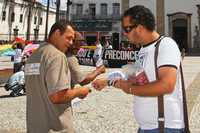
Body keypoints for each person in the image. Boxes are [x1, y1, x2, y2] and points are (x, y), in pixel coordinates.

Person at [92, 5, 185, 133]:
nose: (124, 33)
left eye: (127, 28)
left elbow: (167, 85)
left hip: (164, 127)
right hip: (147, 127)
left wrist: (130, 89)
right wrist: (108, 81)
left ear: (140, 28)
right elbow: (134, 79)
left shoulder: (166, 45)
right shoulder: (142, 50)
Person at [25, 20, 90, 133]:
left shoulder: (34, 55)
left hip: (35, 126)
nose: (71, 43)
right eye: (68, 38)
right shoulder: (56, 56)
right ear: (56, 33)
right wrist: (80, 91)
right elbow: (58, 96)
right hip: (55, 127)